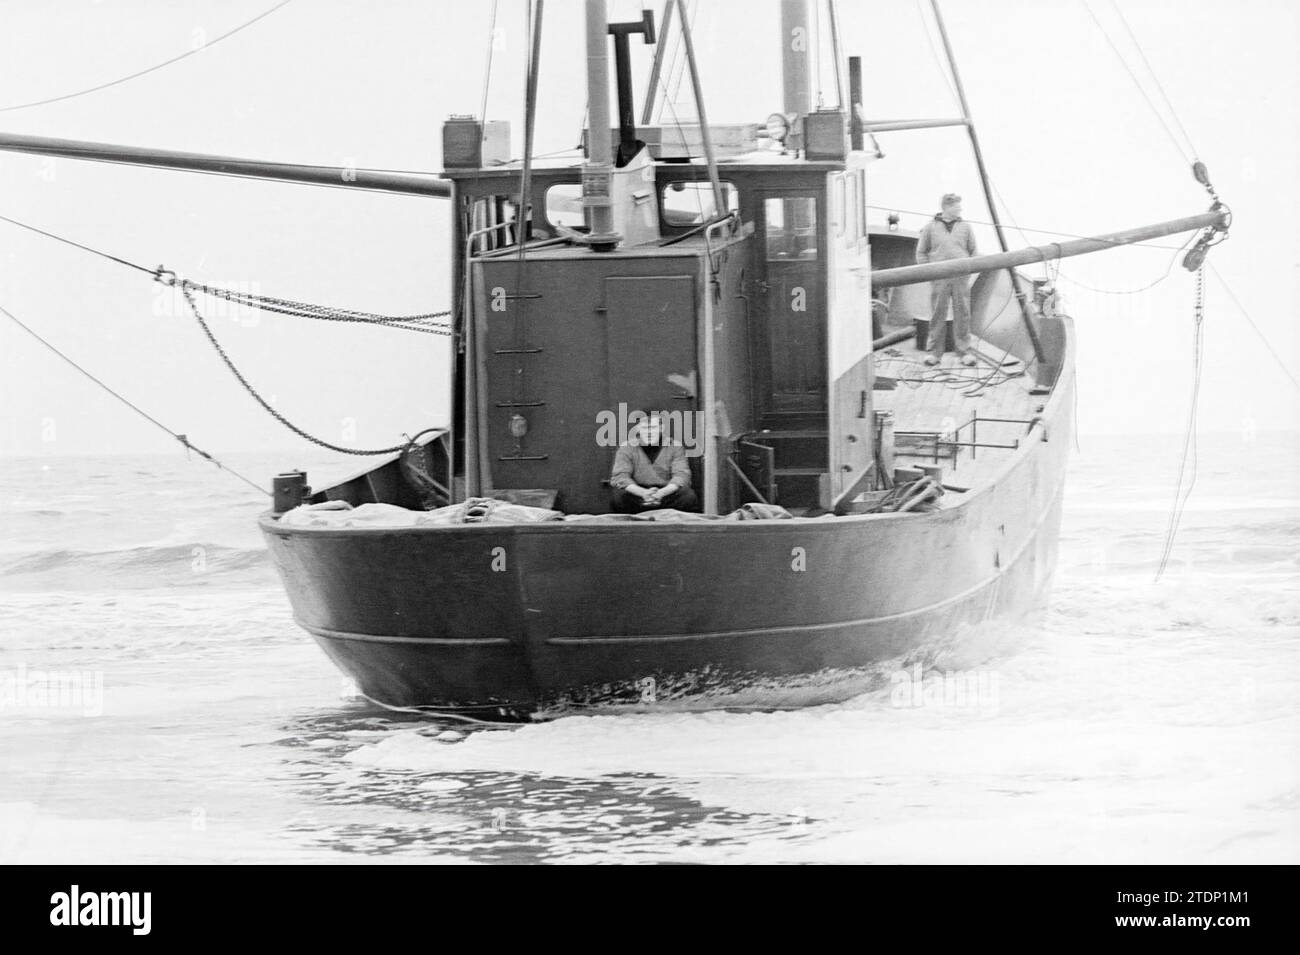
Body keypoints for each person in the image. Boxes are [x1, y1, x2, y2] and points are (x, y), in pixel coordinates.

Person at [915, 193, 978, 367]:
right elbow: (921, 252)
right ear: (946, 207)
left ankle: (964, 352)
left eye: (960, 206)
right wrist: (930, 273)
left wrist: (968, 272)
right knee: (937, 314)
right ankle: (934, 353)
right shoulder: (930, 228)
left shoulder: (966, 227)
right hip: (939, 278)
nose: (960, 209)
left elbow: (974, 252)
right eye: (956, 206)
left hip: (960, 278)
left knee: (963, 314)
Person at [609, 413, 699, 513]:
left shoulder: (675, 446)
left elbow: (682, 476)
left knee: (688, 496)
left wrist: (660, 494)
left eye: (653, 428)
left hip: (666, 493)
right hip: (638, 494)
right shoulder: (627, 447)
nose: (649, 432)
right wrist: (643, 493)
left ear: (661, 428)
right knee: (619, 497)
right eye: (644, 428)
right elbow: (620, 477)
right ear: (638, 429)